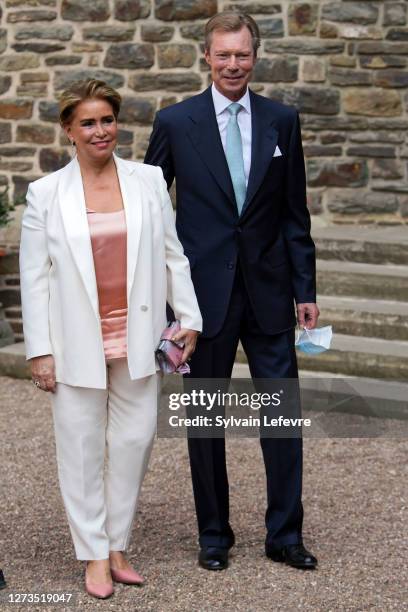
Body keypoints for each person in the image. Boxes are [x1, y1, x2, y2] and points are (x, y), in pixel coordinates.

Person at [145, 11, 319, 571]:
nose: (233, 65)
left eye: (242, 55)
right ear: (207, 57)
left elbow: (296, 212)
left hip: (270, 292)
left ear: (255, 56)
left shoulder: (282, 121)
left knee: (281, 418)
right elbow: (152, 210)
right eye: (223, 55)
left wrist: (305, 288)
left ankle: (284, 536)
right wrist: (162, 295)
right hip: (201, 299)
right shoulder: (175, 123)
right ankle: (214, 536)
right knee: (204, 421)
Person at [19, 79, 202, 599]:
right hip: (76, 340)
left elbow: (173, 254)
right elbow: (34, 277)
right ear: (69, 131)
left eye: (107, 120)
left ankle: (116, 541)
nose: (101, 131)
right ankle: (94, 555)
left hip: (139, 335)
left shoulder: (146, 180)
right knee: (79, 448)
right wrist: (40, 351)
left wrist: (188, 316)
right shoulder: (46, 193)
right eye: (88, 123)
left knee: (134, 441)